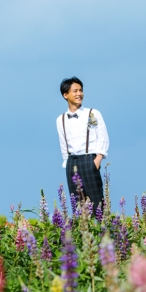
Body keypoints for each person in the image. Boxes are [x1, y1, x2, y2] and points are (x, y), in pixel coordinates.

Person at [56, 76, 109, 214]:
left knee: (97, 204)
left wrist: (97, 159)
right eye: (75, 91)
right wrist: (66, 163)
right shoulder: (60, 119)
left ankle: (101, 232)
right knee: (78, 205)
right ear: (65, 95)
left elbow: (102, 136)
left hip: (89, 160)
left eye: (80, 90)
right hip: (71, 161)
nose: (79, 94)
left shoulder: (92, 114)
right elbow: (63, 143)